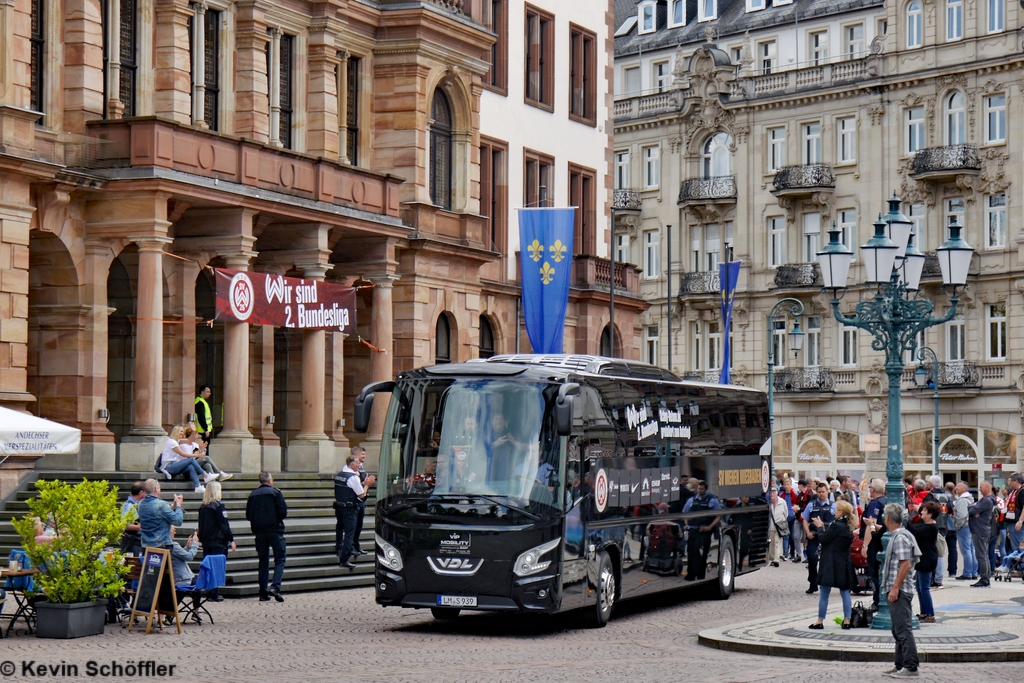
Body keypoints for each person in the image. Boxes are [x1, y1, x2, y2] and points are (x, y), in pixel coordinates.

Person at [877, 503, 921, 678]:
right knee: (898, 629)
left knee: (903, 629)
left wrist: (895, 588)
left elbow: (905, 564)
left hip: (901, 589)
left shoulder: (900, 537)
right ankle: (900, 664)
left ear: (888, 519)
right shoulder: (902, 535)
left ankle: (910, 667)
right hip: (900, 588)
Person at [809, 499, 857, 630]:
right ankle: (847, 619)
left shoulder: (836, 525)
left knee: (824, 591)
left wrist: (820, 527)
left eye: (836, 510)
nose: (834, 512)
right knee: (845, 591)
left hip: (830, 562)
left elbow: (824, 539)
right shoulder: (848, 526)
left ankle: (820, 620)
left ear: (841, 512)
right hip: (844, 562)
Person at [246, 472, 288, 602]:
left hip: (259, 532)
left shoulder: (253, 495)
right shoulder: (275, 493)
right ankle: (275, 586)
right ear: (270, 481)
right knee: (280, 558)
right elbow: (283, 511)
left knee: (263, 561)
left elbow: (248, 515)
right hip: (275, 530)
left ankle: (263, 592)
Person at [198, 480, 235, 602]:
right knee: (217, 566)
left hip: (207, 541)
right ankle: (214, 592)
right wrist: (231, 539)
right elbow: (224, 525)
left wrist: (201, 539)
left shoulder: (203, 507)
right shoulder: (219, 506)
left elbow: (201, 525)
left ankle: (209, 590)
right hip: (218, 541)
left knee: (208, 566)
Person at [334, 454, 371, 569]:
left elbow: (350, 488)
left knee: (340, 528)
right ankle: (344, 558)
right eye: (358, 463)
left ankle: (339, 548)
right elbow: (361, 494)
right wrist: (367, 485)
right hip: (349, 509)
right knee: (350, 533)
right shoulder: (353, 477)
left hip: (339, 507)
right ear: (352, 465)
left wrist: (362, 484)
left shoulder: (339, 475)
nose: (360, 465)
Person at [802, 481, 836, 594]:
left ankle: (824, 583)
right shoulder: (811, 505)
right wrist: (807, 533)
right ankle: (813, 583)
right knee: (812, 559)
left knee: (826, 561)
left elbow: (836, 522)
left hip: (827, 537)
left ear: (827, 492)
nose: (821, 494)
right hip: (814, 536)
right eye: (819, 492)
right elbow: (805, 520)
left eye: (823, 492)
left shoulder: (833, 505)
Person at [682, 480, 720, 580]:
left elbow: (719, 516)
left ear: (705, 489)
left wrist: (710, 527)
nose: (700, 490)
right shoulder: (691, 500)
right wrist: (686, 524)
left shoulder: (712, 500)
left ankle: (700, 575)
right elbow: (685, 513)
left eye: (702, 489)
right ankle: (691, 574)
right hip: (693, 530)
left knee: (702, 553)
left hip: (705, 531)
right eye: (698, 488)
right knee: (691, 552)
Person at [158, 424, 214, 493]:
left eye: (182, 432)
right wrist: (198, 455)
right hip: (168, 466)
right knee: (190, 460)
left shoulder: (177, 441)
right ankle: (205, 475)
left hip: (174, 464)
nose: (182, 433)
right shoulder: (172, 442)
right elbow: (183, 454)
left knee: (190, 466)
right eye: (180, 431)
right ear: (176, 432)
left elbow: (189, 440)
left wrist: (193, 430)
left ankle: (198, 486)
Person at [908, 501, 939, 622]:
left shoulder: (931, 527)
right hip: (922, 558)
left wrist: (906, 519)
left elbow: (915, 531)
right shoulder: (924, 523)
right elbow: (916, 527)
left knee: (924, 588)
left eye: (925, 511)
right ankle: (923, 612)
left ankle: (930, 614)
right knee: (919, 587)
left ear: (930, 514)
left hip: (927, 559)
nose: (922, 512)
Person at [137, 479, 184, 550]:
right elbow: (177, 521)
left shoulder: (140, 504)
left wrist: (173, 506)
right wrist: (178, 506)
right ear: (156, 489)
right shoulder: (161, 505)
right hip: (161, 545)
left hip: (146, 545)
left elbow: (158, 514)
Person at [921, 475, 950, 589]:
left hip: (933, 525)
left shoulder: (930, 496)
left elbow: (924, 509)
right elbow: (951, 510)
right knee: (941, 552)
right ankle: (939, 578)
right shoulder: (946, 497)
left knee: (933, 553)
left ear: (931, 485)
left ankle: (935, 578)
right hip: (943, 526)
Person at [968, 480, 997, 588]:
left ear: (987, 487)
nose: (979, 489)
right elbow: (973, 509)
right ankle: (986, 577)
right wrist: (974, 508)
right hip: (982, 529)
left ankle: (985, 579)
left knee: (981, 555)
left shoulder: (987, 501)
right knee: (983, 555)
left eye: (981, 487)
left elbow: (971, 511)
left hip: (980, 530)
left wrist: (974, 508)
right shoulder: (986, 500)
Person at [350, 446, 376, 556]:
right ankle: (350, 546)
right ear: (356, 455)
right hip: (356, 500)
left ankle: (356, 545)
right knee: (353, 525)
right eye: (362, 454)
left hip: (362, 500)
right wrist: (366, 484)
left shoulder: (361, 468)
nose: (364, 456)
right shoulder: (352, 469)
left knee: (359, 525)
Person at [952, 481, 978, 581]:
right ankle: (973, 572)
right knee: (971, 550)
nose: (956, 488)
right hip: (970, 526)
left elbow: (961, 515)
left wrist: (957, 526)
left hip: (964, 527)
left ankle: (967, 573)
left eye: (958, 486)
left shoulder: (962, 500)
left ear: (964, 489)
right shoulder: (969, 499)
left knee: (966, 550)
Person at [120, 481, 146, 556]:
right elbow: (123, 524)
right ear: (141, 492)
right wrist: (138, 527)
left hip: (138, 542)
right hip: (132, 543)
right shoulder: (129, 506)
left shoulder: (137, 504)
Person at [768, 488, 789, 567]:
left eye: (774, 492)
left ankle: (776, 559)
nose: (772, 494)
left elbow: (786, 513)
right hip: (770, 526)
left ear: (777, 493)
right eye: (771, 492)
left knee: (778, 542)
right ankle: (773, 559)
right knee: (771, 543)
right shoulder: (768, 502)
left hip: (779, 526)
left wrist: (782, 522)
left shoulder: (782, 502)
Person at [944, 481, 959, 578]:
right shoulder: (957, 499)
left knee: (939, 549)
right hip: (953, 527)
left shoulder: (943, 497)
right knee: (953, 549)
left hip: (944, 526)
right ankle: (952, 570)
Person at [1006, 473, 1024, 554]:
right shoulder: (1014, 492)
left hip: (1017, 524)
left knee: (1018, 548)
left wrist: (1020, 521)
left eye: (1012, 482)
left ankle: (1020, 565)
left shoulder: (1022, 491)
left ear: (1016, 481)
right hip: (1012, 523)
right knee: (1015, 547)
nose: (1010, 484)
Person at [194, 385, 214, 453]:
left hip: (204, 430)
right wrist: (206, 429)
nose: (209, 394)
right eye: (207, 392)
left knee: (204, 449)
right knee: (203, 449)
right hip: (202, 431)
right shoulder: (200, 402)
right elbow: (201, 417)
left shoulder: (202, 401)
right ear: (202, 392)